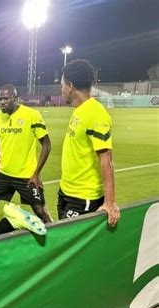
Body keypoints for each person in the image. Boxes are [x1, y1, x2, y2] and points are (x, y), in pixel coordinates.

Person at [0, 84, 53, 235]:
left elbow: (46, 145)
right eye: (0, 99)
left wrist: (36, 173)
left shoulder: (32, 115)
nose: (2, 102)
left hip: (26, 175)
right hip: (4, 172)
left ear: (15, 98)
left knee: (40, 209)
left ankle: (56, 236)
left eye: (6, 99)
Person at [59, 59, 120, 226]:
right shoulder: (79, 110)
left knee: (69, 246)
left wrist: (110, 202)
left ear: (70, 86)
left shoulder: (96, 113)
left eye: (62, 84)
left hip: (83, 196)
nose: (61, 88)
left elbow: (106, 158)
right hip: (66, 191)